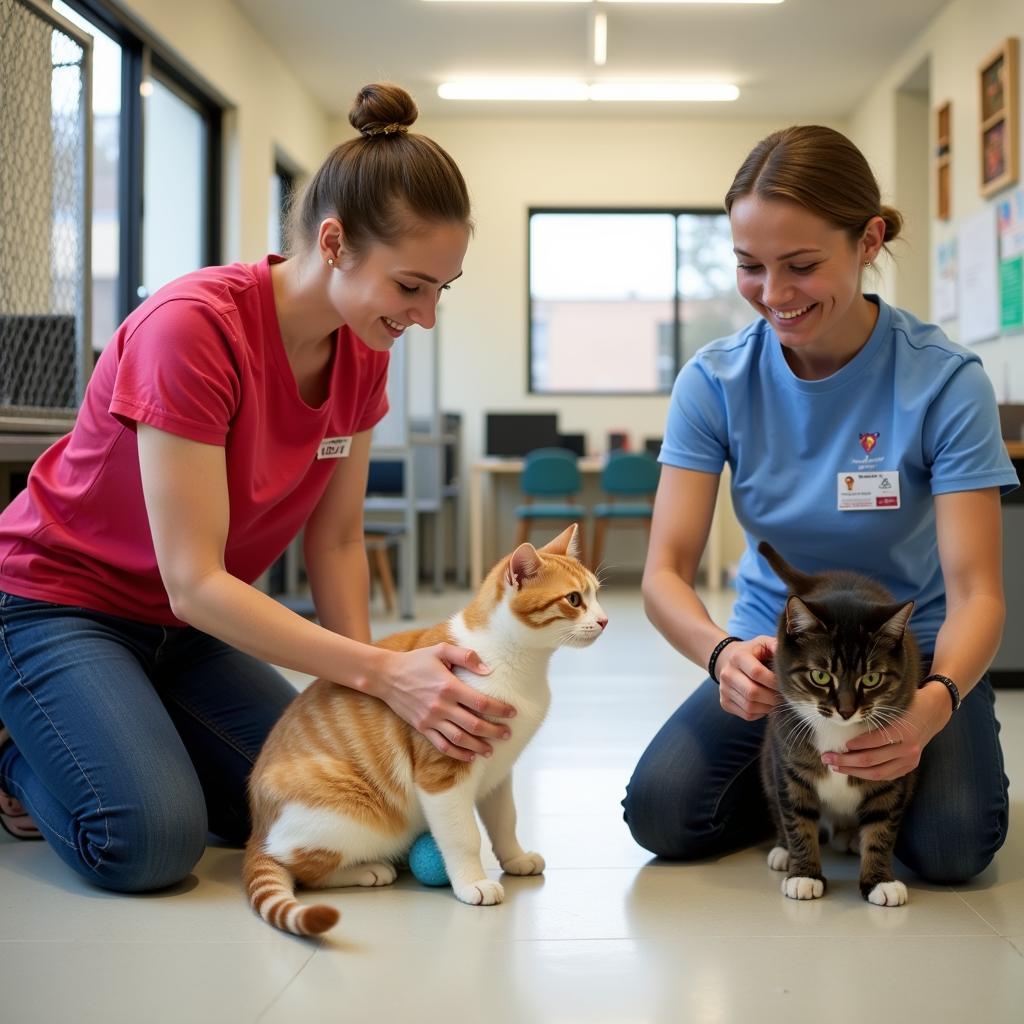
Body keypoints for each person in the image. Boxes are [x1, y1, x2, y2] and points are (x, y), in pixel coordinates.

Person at [0, 83, 516, 892]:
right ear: (336, 242)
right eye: (410, 286)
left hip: (184, 632)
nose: (426, 317)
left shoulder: (364, 351)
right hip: (60, 606)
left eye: (441, 290)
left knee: (304, 805)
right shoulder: (192, 332)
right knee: (148, 843)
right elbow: (195, 581)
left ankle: (125, 722)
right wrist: (385, 675)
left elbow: (337, 539)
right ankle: (14, 760)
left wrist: (368, 698)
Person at [622, 125, 1017, 884]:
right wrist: (722, 655)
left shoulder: (944, 381)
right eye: (749, 267)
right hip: (782, 661)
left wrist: (934, 704)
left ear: (869, 241)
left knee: (952, 849)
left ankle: (864, 793)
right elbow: (665, 571)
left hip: (917, 655)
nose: (774, 295)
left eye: (802, 266)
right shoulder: (714, 383)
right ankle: (805, 796)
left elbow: (978, 592)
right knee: (665, 812)